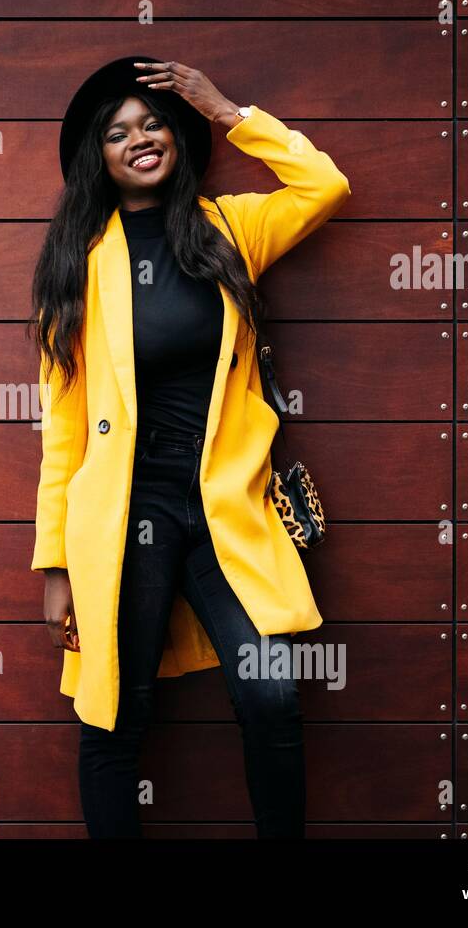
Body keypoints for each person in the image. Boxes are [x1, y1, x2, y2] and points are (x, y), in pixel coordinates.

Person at [30, 56, 351, 838]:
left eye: (153, 122)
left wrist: (224, 107)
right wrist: (55, 564)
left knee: (270, 691)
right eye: (116, 133)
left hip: (222, 504)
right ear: (97, 158)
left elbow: (324, 186)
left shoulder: (230, 228)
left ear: (177, 133)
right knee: (115, 713)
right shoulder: (77, 268)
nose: (139, 139)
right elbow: (63, 431)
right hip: (123, 516)